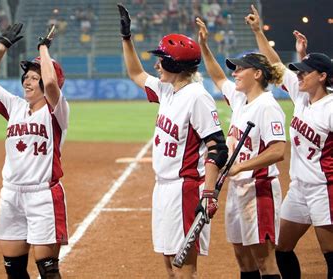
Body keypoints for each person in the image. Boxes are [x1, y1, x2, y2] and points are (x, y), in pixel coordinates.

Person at [117, 4, 228, 278]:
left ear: (175, 65)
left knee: (183, 268)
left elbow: (217, 147)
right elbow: (135, 73)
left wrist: (209, 193)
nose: (156, 65)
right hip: (164, 188)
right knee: (170, 265)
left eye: (161, 60)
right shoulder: (168, 89)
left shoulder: (197, 97)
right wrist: (126, 38)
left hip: (185, 189)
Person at [245, 5, 333, 279]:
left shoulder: (330, 107)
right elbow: (276, 66)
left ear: (322, 76)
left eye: (305, 71)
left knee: (330, 255)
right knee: (282, 250)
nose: (298, 76)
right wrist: (258, 31)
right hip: (299, 188)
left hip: (324, 189)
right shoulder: (302, 96)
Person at [196, 16, 286, 279]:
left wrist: (240, 166)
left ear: (257, 74)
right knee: (242, 258)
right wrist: (204, 46)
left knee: (264, 261)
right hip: (238, 189)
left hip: (259, 190)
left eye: (240, 69)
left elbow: (278, 150)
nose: (234, 73)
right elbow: (217, 75)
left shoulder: (268, 106)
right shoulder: (241, 99)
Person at [0, 23, 69, 279]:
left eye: (34, 76)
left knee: (48, 271)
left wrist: (43, 47)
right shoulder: (15, 106)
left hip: (42, 195)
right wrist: (1, 47)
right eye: (26, 76)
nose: (28, 81)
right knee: (15, 271)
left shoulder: (56, 110)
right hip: (11, 195)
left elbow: (51, 82)